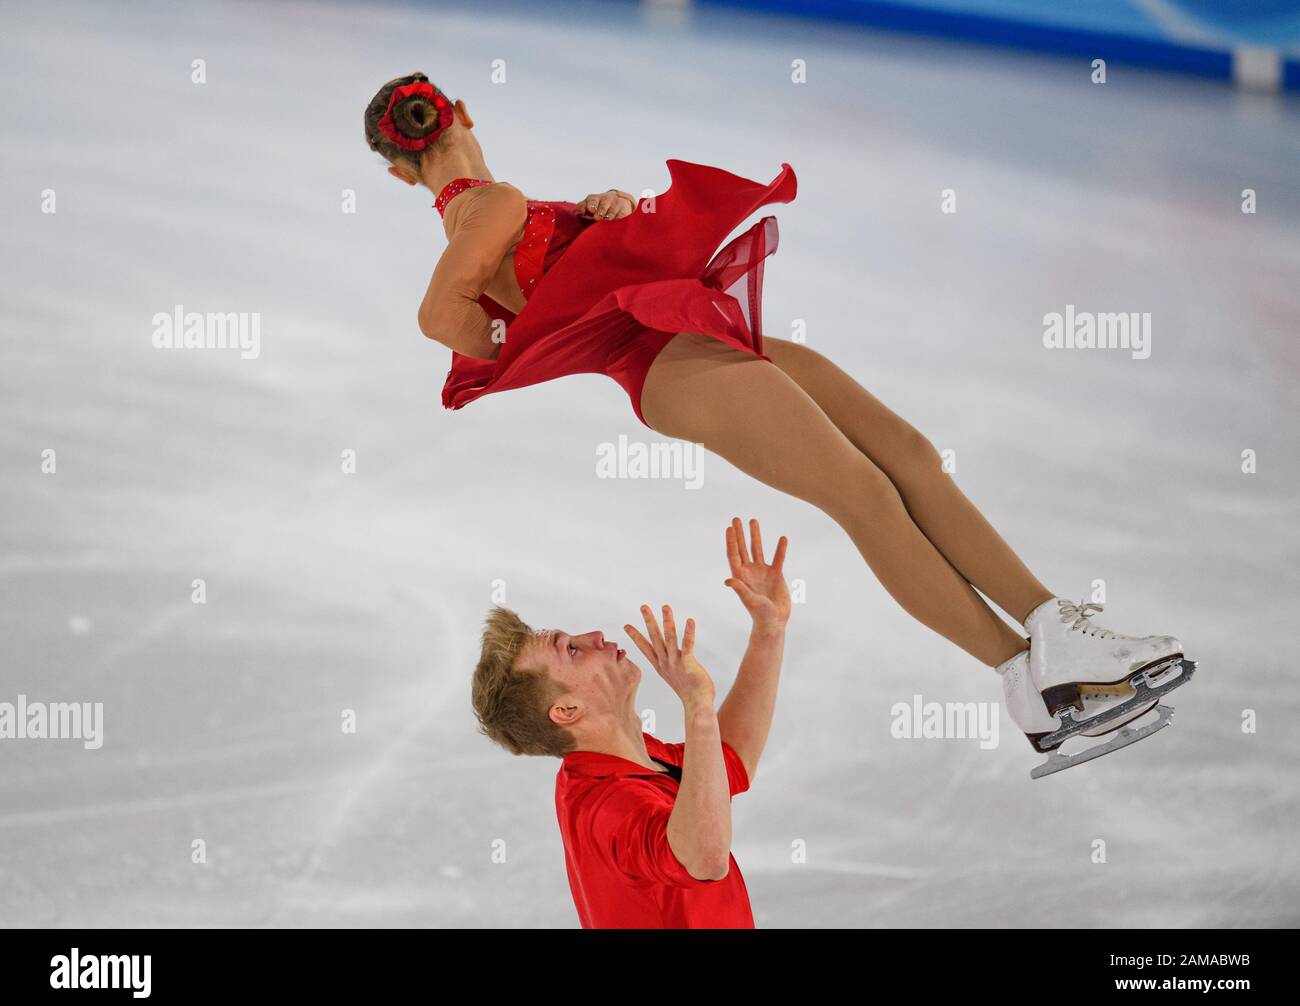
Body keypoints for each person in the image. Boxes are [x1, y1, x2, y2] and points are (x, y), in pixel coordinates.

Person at [365, 74, 1194, 776]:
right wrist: (528, 333)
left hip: (684, 337)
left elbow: (521, 282)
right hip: (664, 364)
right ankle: (1033, 678)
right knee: (864, 493)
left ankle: (1056, 632)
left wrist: (592, 221)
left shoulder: (488, 211)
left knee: (904, 457)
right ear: (464, 113)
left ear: (400, 172)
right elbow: (442, 317)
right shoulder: (491, 203)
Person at [471, 519, 789, 928]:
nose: (595, 636)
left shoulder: (631, 758)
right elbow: (703, 858)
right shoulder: (608, 807)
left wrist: (769, 630)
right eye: (571, 650)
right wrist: (696, 706)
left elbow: (729, 761)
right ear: (567, 711)